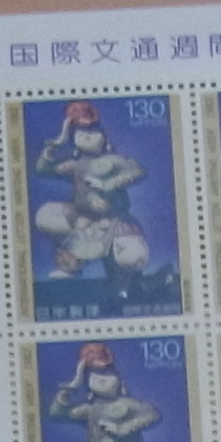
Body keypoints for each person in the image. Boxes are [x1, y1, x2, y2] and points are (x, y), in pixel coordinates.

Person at [31, 102, 157, 302]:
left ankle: (124, 284)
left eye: (92, 131)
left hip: (115, 221)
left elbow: (138, 171)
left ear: (103, 135)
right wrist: (56, 143)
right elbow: (42, 169)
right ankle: (71, 266)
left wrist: (107, 184)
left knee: (132, 258)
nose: (87, 136)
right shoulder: (74, 164)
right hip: (84, 219)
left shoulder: (114, 160)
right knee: (46, 216)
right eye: (80, 132)